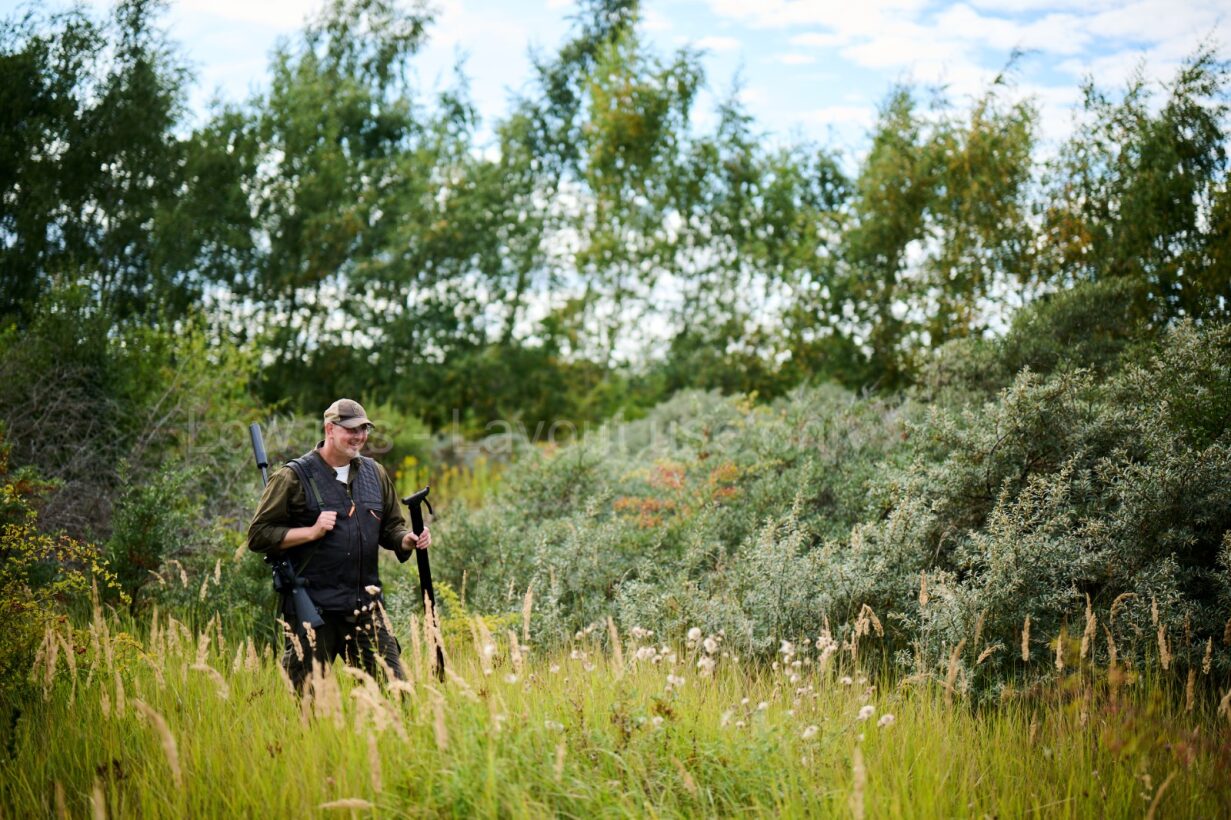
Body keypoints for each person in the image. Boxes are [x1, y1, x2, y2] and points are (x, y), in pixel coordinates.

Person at [247, 398, 432, 690]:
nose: (359, 436)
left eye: (364, 429)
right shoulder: (293, 477)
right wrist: (310, 532)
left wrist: (406, 540)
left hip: (365, 607)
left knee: (398, 696)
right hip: (314, 611)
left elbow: (391, 527)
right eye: (351, 429)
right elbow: (258, 535)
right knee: (311, 706)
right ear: (330, 429)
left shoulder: (375, 473)